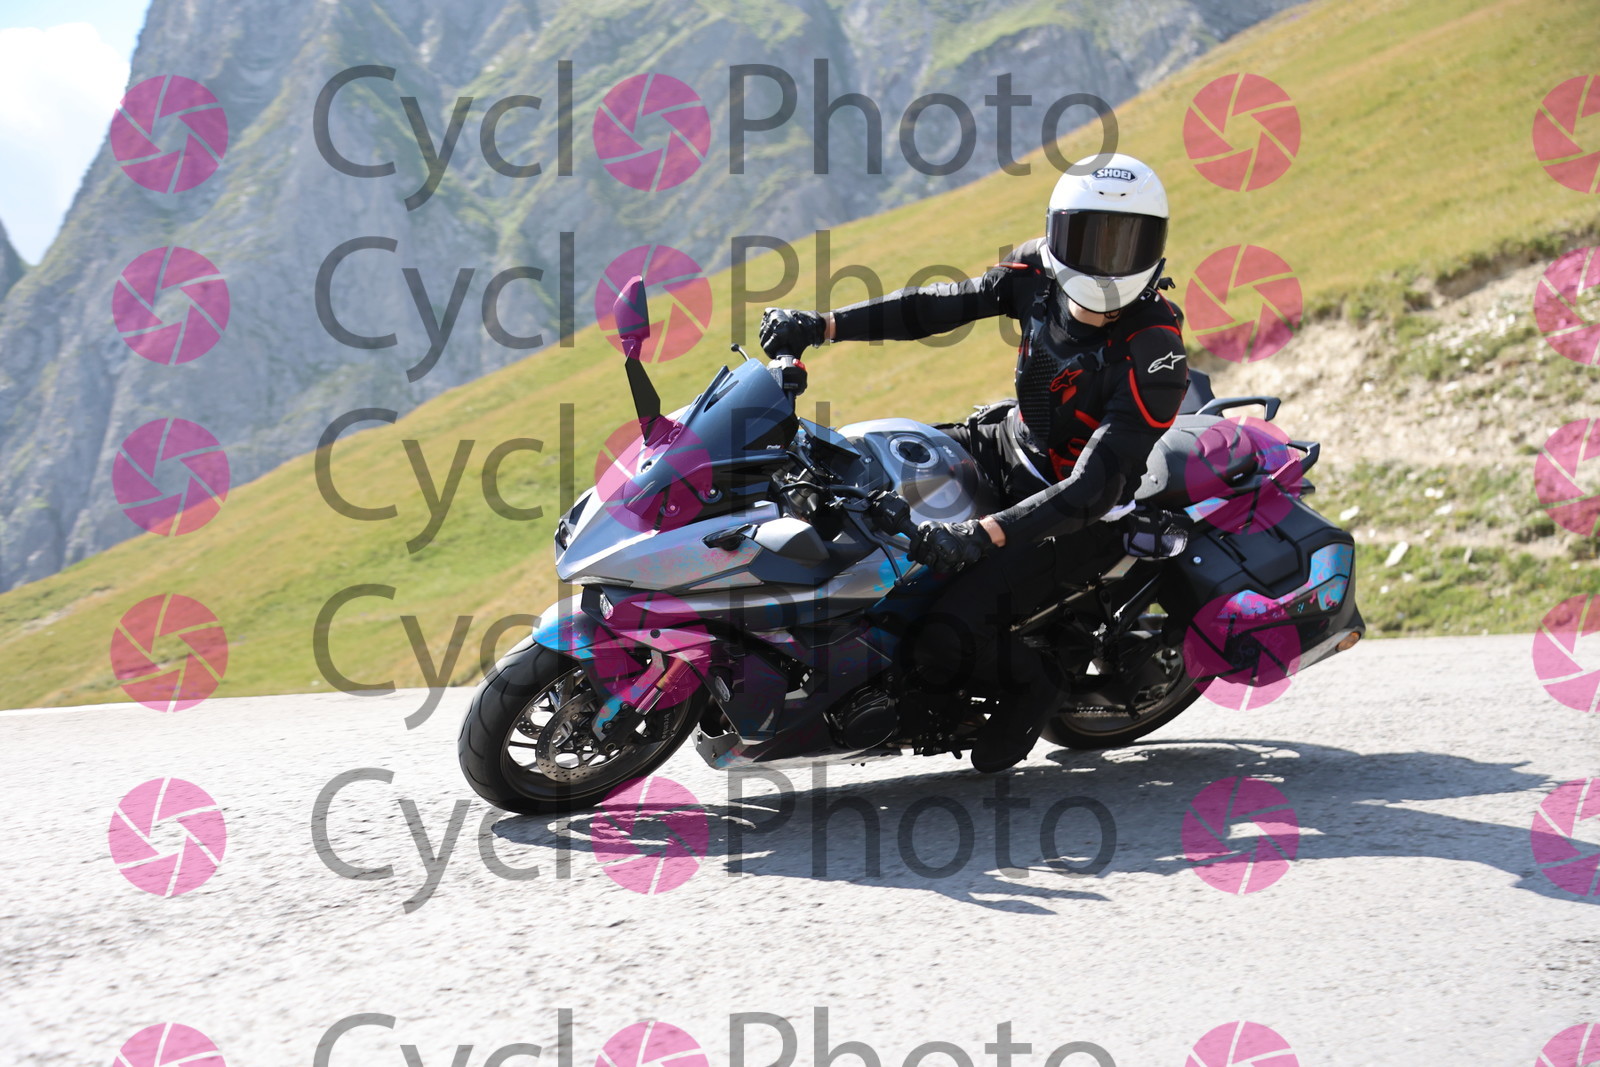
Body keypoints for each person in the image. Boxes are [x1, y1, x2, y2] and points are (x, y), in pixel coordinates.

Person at [758, 153, 1189, 772]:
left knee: (941, 637)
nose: (1104, 261)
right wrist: (823, 326)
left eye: (1125, 244)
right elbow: (939, 306)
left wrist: (979, 534)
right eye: (1089, 238)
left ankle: (1036, 682)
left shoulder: (1155, 352)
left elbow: (1092, 486)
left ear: (1155, 247)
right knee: (858, 474)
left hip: (1077, 514)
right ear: (1056, 231)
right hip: (1006, 442)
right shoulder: (1036, 271)